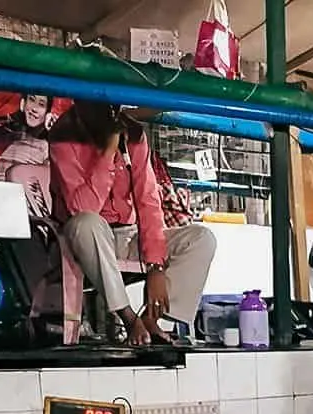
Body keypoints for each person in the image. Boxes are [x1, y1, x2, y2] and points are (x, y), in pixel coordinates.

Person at [50, 102, 216, 346]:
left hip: (128, 235)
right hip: (82, 239)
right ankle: (128, 318)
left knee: (201, 239)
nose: (111, 110)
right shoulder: (64, 134)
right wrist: (109, 149)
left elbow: (148, 201)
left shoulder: (135, 135)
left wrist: (155, 267)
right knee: (87, 223)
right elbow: (82, 208)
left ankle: (151, 319)